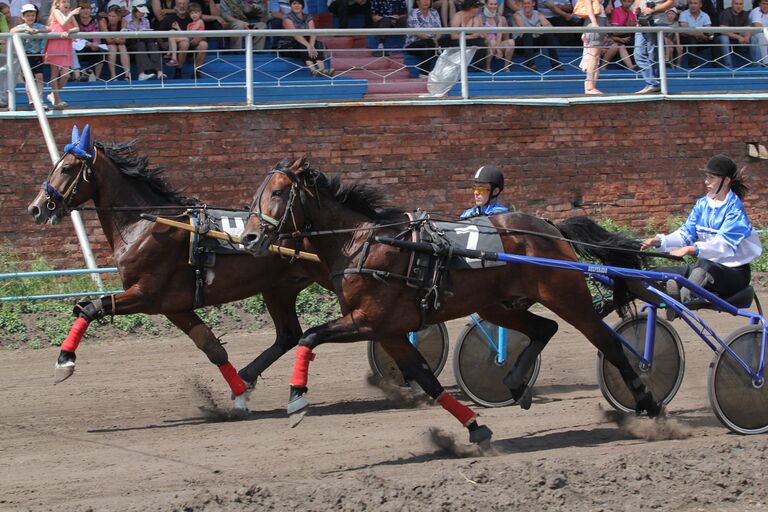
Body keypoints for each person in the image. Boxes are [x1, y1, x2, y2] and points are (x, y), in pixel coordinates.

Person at [641, 154, 762, 312]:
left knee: (703, 265)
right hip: (705, 269)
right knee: (659, 273)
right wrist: (658, 241)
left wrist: (691, 249)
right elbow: (685, 234)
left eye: (711, 178)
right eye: (707, 177)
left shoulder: (735, 209)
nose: (706, 181)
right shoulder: (702, 204)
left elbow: (723, 246)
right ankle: (673, 294)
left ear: (726, 181)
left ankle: (681, 300)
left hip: (734, 275)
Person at [278, 0, 334, 76]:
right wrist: (308, 46)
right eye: (294, 3)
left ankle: (322, 69)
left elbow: (312, 32)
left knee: (319, 43)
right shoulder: (286, 17)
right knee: (303, 45)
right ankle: (313, 70)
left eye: (299, 4)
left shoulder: (308, 17)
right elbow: (295, 35)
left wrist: (311, 45)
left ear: (302, 6)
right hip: (288, 45)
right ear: (290, 5)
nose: (297, 6)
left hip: (304, 43)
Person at [10, 3, 48, 106]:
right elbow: (12, 30)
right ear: (23, 17)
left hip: (36, 54)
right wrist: (26, 29)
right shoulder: (21, 26)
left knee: (39, 76)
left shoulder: (38, 26)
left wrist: (37, 31)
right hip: (25, 55)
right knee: (28, 78)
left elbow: (48, 29)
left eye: (32, 15)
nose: (30, 17)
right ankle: (31, 99)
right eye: (28, 15)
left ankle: (40, 98)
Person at [633, 0, 675, 93]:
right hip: (641, 22)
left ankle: (655, 84)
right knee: (638, 54)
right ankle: (653, 83)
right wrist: (636, 8)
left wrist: (653, 9)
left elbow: (671, 2)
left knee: (653, 55)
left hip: (656, 22)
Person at [44, 0, 80, 107]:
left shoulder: (69, 13)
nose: (66, 4)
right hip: (55, 44)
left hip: (66, 45)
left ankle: (53, 94)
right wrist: (72, 14)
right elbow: (63, 23)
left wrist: (69, 31)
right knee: (54, 73)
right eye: (63, 1)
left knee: (66, 75)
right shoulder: (56, 11)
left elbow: (77, 28)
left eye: (68, 1)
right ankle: (57, 99)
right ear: (58, 4)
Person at [513, 0, 561, 71]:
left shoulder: (538, 14)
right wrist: (539, 30)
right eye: (524, 3)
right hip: (520, 45)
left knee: (548, 34)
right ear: (522, 4)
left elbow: (549, 26)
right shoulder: (517, 15)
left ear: (533, 4)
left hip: (534, 43)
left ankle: (556, 64)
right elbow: (523, 29)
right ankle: (530, 65)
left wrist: (541, 30)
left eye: (528, 3)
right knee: (527, 34)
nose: (526, 5)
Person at [440, 0, 487, 70]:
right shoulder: (458, 16)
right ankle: (456, 66)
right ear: (470, 8)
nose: (478, 9)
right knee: (457, 42)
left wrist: (480, 34)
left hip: (469, 40)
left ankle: (479, 67)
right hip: (457, 40)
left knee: (481, 43)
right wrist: (469, 36)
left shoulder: (477, 18)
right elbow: (453, 36)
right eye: (476, 7)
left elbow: (483, 34)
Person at [124, 0, 164, 80]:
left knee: (153, 44)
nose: (142, 14)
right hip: (131, 43)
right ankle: (142, 74)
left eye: (143, 12)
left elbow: (147, 32)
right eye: (140, 12)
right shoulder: (125, 20)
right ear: (135, 11)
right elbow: (124, 32)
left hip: (145, 41)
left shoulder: (146, 20)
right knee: (140, 45)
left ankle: (159, 71)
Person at [404, 0, 441, 76]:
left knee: (431, 44)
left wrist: (436, 39)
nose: (426, 2)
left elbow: (439, 30)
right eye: (423, 0)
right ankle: (426, 73)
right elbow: (418, 33)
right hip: (414, 44)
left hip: (432, 43)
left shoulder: (434, 12)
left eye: (428, 0)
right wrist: (433, 41)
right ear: (418, 2)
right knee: (429, 44)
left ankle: (424, 73)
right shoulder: (413, 13)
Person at [578, 0, 607, 94]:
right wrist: (594, 22)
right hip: (595, 21)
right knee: (593, 55)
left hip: (600, 20)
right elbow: (588, 3)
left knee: (596, 57)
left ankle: (591, 86)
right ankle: (589, 86)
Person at [479, 0, 515, 70]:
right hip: (485, 44)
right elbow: (483, 35)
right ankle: (487, 67)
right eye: (491, 4)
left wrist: (498, 48)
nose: (493, 6)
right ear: (486, 5)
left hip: (495, 43)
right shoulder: (480, 17)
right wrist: (495, 45)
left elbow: (499, 33)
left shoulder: (498, 17)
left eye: (495, 4)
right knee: (492, 41)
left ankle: (506, 67)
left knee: (511, 42)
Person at [74, 0, 104, 80]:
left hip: (92, 45)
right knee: (78, 51)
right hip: (79, 46)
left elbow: (96, 35)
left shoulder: (94, 21)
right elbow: (75, 38)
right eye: (83, 9)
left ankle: (97, 77)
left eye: (88, 8)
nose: (86, 11)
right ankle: (78, 75)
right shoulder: (75, 20)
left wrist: (95, 43)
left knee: (100, 51)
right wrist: (88, 44)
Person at [678, 0, 714, 67]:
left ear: (700, 5)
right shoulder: (683, 14)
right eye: (691, 3)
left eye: (695, 3)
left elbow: (708, 30)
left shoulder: (705, 15)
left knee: (716, 40)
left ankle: (718, 65)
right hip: (686, 40)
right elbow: (685, 30)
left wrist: (704, 35)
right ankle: (693, 65)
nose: (693, 5)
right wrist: (700, 34)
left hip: (701, 39)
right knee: (692, 39)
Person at [716, 0, 751, 68]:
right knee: (724, 38)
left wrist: (747, 37)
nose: (738, 6)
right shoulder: (726, 13)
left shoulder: (745, 13)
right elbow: (723, 30)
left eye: (741, 4)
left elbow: (748, 29)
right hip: (725, 39)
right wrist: (738, 37)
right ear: (732, 4)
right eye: (736, 4)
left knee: (754, 38)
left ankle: (756, 65)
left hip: (739, 40)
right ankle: (729, 66)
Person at [99, 3, 129, 79]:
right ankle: (113, 75)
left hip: (119, 44)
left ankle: (127, 75)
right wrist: (117, 38)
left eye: (114, 16)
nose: (111, 18)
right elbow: (108, 40)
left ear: (119, 17)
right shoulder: (103, 21)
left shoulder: (124, 21)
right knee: (112, 47)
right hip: (106, 44)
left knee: (122, 47)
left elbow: (123, 40)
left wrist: (115, 38)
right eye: (109, 16)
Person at [604, 0, 636, 70]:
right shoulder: (615, 12)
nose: (627, 3)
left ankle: (631, 66)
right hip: (610, 41)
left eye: (629, 1)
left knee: (632, 42)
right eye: (625, 1)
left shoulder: (632, 12)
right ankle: (603, 66)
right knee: (619, 45)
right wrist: (627, 28)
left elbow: (634, 27)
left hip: (621, 39)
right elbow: (613, 33)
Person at [749, 0, 768, 66]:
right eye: (763, 4)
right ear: (759, 4)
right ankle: (766, 63)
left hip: (766, 35)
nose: (765, 6)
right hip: (753, 35)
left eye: (767, 4)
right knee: (762, 36)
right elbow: (758, 26)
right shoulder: (756, 11)